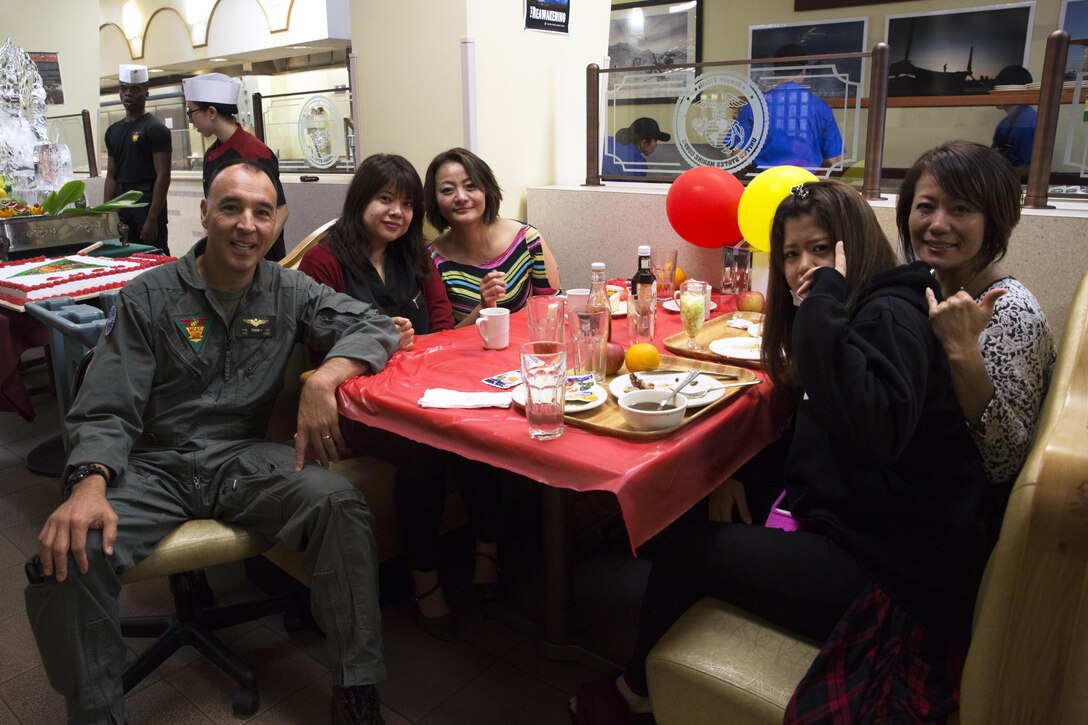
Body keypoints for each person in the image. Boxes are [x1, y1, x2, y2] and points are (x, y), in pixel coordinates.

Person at [571, 180, 991, 724]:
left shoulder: (887, 311)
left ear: (852, 244)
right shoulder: (869, 304)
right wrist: (739, 472)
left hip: (890, 578)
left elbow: (871, 433)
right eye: (790, 254)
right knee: (698, 507)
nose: (801, 266)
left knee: (677, 542)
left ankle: (635, 694)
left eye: (820, 249)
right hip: (865, 528)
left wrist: (821, 301)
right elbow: (818, 425)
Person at [24, 160, 399, 725]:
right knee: (68, 555)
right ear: (204, 214)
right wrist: (88, 485)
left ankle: (356, 690)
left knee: (340, 505)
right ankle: (96, 712)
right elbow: (106, 403)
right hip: (153, 463)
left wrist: (326, 376)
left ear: (278, 223)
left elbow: (375, 325)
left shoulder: (290, 289)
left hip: (240, 459)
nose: (247, 225)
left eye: (261, 212)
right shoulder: (148, 297)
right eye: (231, 208)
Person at [897, 140, 1055, 530]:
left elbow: (1004, 463)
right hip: (918, 499)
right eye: (926, 206)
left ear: (994, 221)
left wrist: (963, 349)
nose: (937, 224)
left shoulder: (1011, 312)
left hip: (960, 530)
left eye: (961, 209)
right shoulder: (933, 287)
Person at [425, 147, 561, 326]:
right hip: (467, 354)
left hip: (525, 350)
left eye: (470, 186)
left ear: (487, 191)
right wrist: (483, 307)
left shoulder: (527, 240)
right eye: (447, 190)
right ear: (434, 200)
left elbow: (555, 309)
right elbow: (443, 340)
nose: (461, 197)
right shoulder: (432, 260)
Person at [184, 72, 289, 260]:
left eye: (191, 113)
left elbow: (281, 211)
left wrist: (257, 252)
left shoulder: (255, 153)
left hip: (259, 259)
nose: (190, 121)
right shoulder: (211, 155)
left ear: (212, 112)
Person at [735, 44, 843, 170]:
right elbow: (832, 160)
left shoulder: (754, 106)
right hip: (807, 184)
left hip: (766, 183)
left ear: (773, 71)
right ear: (803, 71)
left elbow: (738, 154)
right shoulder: (822, 108)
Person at [104, 64, 171, 253]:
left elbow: (163, 176)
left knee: (153, 257)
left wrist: (152, 218)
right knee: (124, 257)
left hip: (146, 204)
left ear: (146, 93)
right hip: (121, 204)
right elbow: (111, 175)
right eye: (123, 89)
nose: (128, 94)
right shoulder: (113, 131)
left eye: (135, 89)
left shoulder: (155, 128)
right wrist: (106, 212)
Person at [990, 66, 1037, 179]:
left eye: (998, 89)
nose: (994, 93)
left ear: (1013, 91)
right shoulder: (1005, 122)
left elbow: (1031, 167)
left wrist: (993, 178)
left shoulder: (1028, 123)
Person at [602, 117, 669, 177]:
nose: (656, 145)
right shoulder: (638, 164)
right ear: (644, 143)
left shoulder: (606, 142)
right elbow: (636, 188)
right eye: (655, 140)